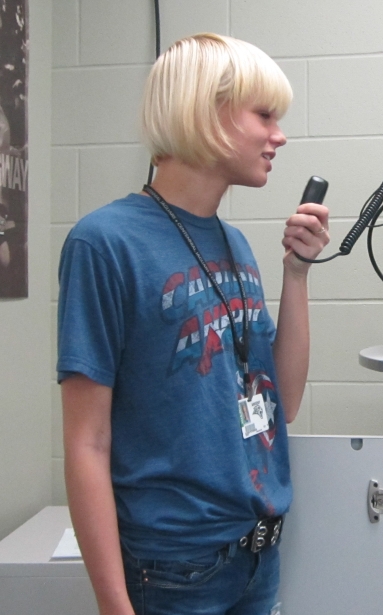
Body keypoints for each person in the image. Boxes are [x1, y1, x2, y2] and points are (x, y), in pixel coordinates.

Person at [57, 33, 330, 615]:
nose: (279, 135)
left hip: (257, 557)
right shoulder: (104, 243)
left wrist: (297, 275)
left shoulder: (234, 244)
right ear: (208, 113)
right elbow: (87, 441)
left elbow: (283, 402)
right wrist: (113, 605)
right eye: (264, 115)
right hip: (173, 571)